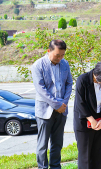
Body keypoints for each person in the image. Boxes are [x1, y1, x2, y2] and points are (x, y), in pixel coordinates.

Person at [32, 39, 73, 169]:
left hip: (62, 110)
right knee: (42, 144)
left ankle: (55, 167)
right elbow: (41, 89)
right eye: (57, 55)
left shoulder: (65, 64)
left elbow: (69, 83)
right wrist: (57, 105)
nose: (60, 58)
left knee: (57, 143)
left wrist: (64, 104)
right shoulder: (38, 65)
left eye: (62, 55)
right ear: (49, 50)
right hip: (44, 111)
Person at [73, 60, 101, 169]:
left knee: (97, 157)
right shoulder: (83, 80)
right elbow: (80, 103)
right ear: (96, 74)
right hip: (84, 122)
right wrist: (91, 119)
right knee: (85, 158)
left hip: (100, 123)